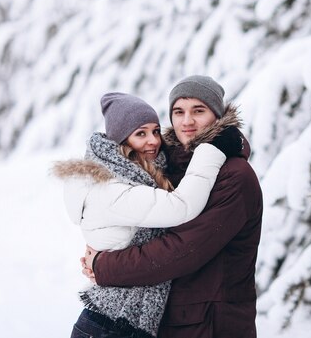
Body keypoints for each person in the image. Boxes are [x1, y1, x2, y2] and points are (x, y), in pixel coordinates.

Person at [83, 76, 263, 338]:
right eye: (179, 112)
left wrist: (105, 266)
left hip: (212, 325)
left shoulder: (235, 176)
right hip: (174, 322)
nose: (187, 121)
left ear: (217, 115)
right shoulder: (170, 166)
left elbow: (183, 249)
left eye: (198, 111)